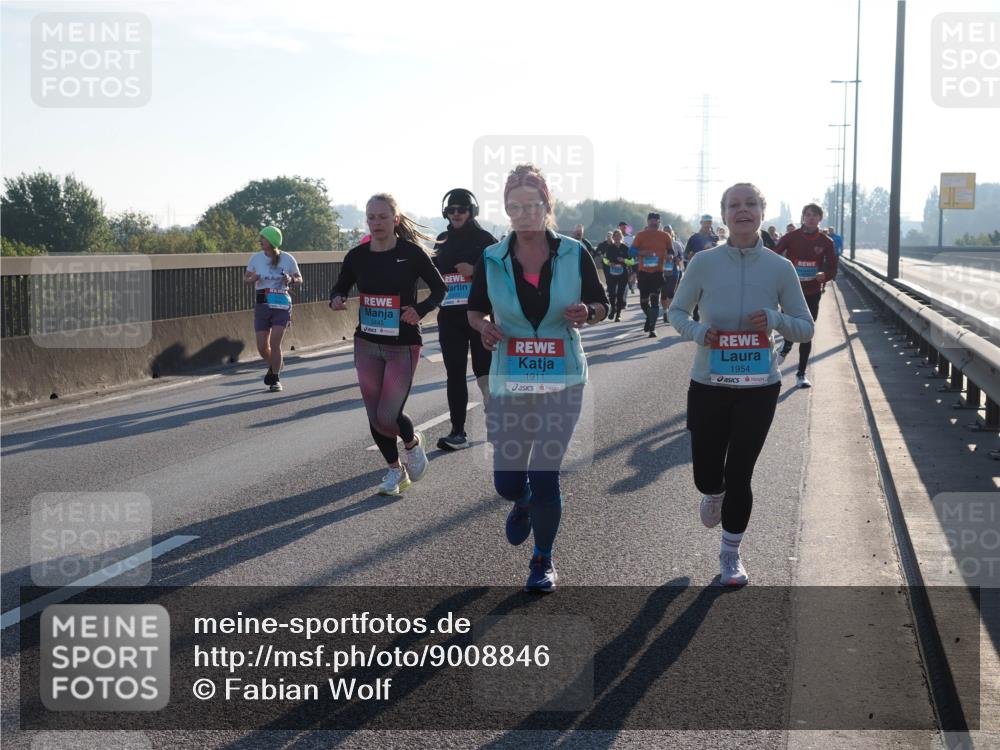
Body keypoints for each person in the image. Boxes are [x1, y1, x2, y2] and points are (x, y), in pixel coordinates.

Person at [467, 164, 609, 593]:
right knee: (508, 480)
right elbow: (475, 310)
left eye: (532, 204)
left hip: (563, 376)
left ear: (546, 204)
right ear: (507, 210)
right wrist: (484, 326)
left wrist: (589, 313)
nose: (524, 213)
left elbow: (600, 304)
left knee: (545, 471)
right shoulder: (491, 258)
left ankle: (542, 559)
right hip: (510, 376)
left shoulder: (573, 252)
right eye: (515, 206)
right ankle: (522, 501)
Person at [668, 183, 814, 586]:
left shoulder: (779, 268)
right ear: (724, 215)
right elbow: (676, 311)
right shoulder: (703, 261)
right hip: (709, 383)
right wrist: (699, 331)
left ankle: (730, 555)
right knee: (707, 473)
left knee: (741, 474)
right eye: (735, 205)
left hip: (758, 386)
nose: (743, 210)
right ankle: (711, 492)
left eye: (751, 204)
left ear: (761, 213)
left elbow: (805, 327)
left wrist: (775, 318)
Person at [329, 194, 448, 496]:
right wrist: (337, 298)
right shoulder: (357, 256)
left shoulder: (412, 253)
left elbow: (439, 289)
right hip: (367, 343)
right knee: (373, 416)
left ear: (395, 219)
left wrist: (419, 310)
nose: (376, 222)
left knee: (387, 415)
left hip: (402, 345)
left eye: (383, 217)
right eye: (371, 217)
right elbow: (341, 284)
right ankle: (395, 471)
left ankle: (412, 443)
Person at [432, 188, 498, 450]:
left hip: (480, 315)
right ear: (445, 213)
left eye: (462, 209)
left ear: (472, 211)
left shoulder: (486, 240)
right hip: (450, 316)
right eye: (451, 210)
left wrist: (476, 270)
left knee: (484, 372)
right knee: (454, 374)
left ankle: (495, 419)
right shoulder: (442, 239)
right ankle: (457, 431)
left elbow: (503, 272)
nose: (456, 214)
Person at [773, 204, 839, 388]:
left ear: (820, 219)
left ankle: (801, 375)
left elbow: (833, 267)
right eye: (807, 215)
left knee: (807, 332)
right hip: (791, 291)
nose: (810, 218)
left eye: (815, 215)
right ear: (802, 217)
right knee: (791, 327)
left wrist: (824, 275)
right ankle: (786, 345)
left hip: (813, 291)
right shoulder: (791, 237)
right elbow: (774, 256)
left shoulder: (826, 242)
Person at [244, 226, 302, 392]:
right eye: (261, 238)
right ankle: (276, 363)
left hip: (281, 305)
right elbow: (246, 278)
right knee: (262, 347)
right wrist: (252, 278)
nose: (260, 241)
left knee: (275, 343)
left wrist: (290, 279)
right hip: (262, 303)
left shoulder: (288, 259)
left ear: (272, 241)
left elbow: (299, 278)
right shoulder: (255, 258)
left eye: (264, 238)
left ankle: (275, 378)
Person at [632, 212, 671, 337]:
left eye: (656, 222)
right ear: (648, 222)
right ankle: (649, 318)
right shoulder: (640, 235)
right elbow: (631, 251)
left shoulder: (665, 236)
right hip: (643, 272)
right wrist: (642, 253)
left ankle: (652, 329)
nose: (654, 224)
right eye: (652, 222)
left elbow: (670, 250)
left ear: (659, 222)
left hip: (657, 272)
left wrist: (670, 255)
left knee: (655, 300)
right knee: (644, 302)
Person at [602, 229, 632, 321]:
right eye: (615, 236)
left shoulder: (625, 248)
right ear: (613, 238)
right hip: (612, 273)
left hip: (623, 273)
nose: (616, 238)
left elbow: (632, 261)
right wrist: (609, 263)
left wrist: (624, 260)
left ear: (621, 237)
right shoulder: (610, 248)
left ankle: (618, 314)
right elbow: (604, 259)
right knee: (611, 293)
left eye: (618, 236)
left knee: (620, 294)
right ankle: (613, 309)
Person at [660, 224, 685, 323]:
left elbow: (682, 256)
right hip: (662, 270)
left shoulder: (676, 244)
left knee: (670, 291)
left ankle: (670, 313)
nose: (667, 232)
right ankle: (665, 311)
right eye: (665, 231)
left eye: (669, 231)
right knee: (663, 293)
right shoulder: (659, 243)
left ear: (672, 232)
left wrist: (675, 258)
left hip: (674, 270)